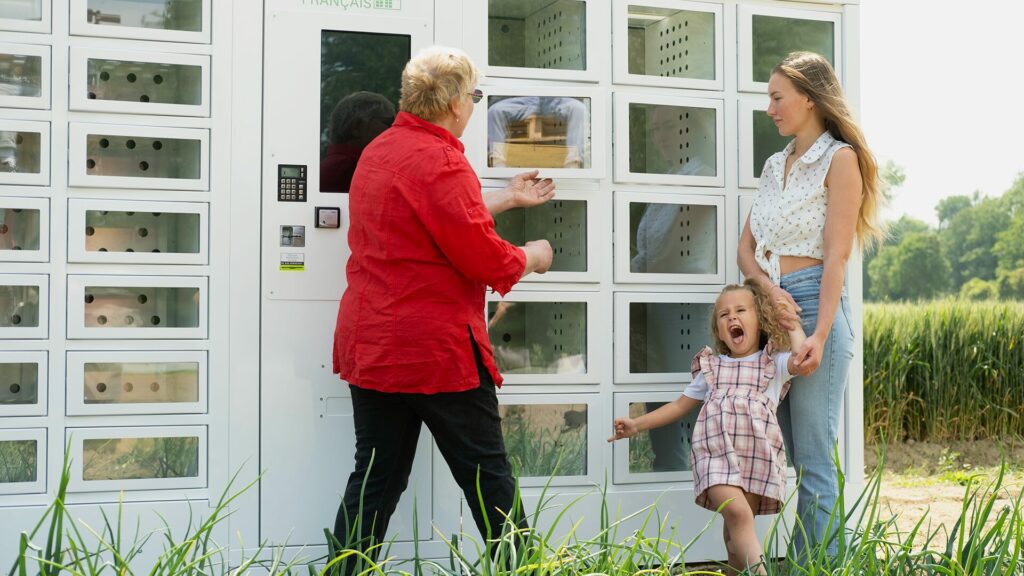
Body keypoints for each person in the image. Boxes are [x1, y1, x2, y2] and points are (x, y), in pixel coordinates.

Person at [331, 46, 556, 573]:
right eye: (475, 96)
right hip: (434, 351)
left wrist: (501, 196)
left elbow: (432, 216)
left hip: (375, 346)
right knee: (489, 479)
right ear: (455, 104)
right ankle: (523, 568)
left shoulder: (381, 150)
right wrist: (533, 256)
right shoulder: (441, 160)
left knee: (375, 478)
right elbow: (482, 256)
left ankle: (343, 569)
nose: (475, 105)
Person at [738, 51, 884, 559]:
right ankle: (824, 559)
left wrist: (820, 333)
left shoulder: (839, 160)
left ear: (809, 97)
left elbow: (838, 256)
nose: (770, 108)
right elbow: (746, 249)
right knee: (793, 450)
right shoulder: (774, 164)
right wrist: (765, 289)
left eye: (777, 97)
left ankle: (811, 567)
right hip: (771, 310)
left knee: (816, 455)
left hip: (816, 305)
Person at [608, 280, 806, 575]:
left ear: (760, 320)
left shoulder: (772, 364)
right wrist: (637, 424)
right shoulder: (712, 367)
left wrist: (792, 325)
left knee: (734, 534)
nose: (732, 318)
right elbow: (679, 406)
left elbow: (803, 358)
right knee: (738, 514)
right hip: (714, 456)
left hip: (756, 459)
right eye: (724, 315)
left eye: (741, 310)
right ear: (718, 329)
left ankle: (735, 572)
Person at [319, 91, 396, 192]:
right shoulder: (351, 169)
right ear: (357, 127)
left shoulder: (330, 167)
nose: (394, 129)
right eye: (389, 122)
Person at [487, 96, 588, 168]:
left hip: (556, 98)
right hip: (526, 99)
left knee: (579, 109)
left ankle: (573, 164)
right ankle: (497, 165)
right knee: (494, 111)